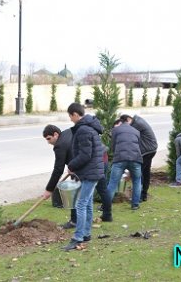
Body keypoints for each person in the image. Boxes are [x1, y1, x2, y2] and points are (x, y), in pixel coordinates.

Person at [42, 125, 112, 228]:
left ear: (55, 134)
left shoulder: (59, 145)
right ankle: (107, 215)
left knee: (75, 192)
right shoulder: (68, 131)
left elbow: (58, 169)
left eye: (49, 138)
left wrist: (49, 189)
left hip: (88, 164)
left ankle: (74, 221)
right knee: (102, 189)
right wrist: (72, 166)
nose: (48, 142)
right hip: (101, 157)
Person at [63, 103, 104, 251]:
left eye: (70, 116)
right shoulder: (89, 127)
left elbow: (85, 155)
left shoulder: (83, 130)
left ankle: (78, 237)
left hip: (90, 172)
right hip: (92, 171)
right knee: (86, 203)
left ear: (75, 114)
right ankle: (86, 233)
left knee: (80, 204)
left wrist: (72, 165)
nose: (70, 119)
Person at [119, 114, 157, 202]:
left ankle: (138, 197)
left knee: (138, 174)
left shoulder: (136, 124)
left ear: (129, 119)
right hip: (151, 149)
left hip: (146, 150)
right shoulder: (137, 121)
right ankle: (143, 195)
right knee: (146, 172)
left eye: (125, 124)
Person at [107, 119, 143, 210]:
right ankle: (135, 205)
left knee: (113, 182)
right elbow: (139, 146)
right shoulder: (136, 131)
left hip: (120, 158)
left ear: (120, 123)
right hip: (136, 159)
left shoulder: (115, 130)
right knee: (137, 181)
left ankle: (106, 206)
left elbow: (113, 146)